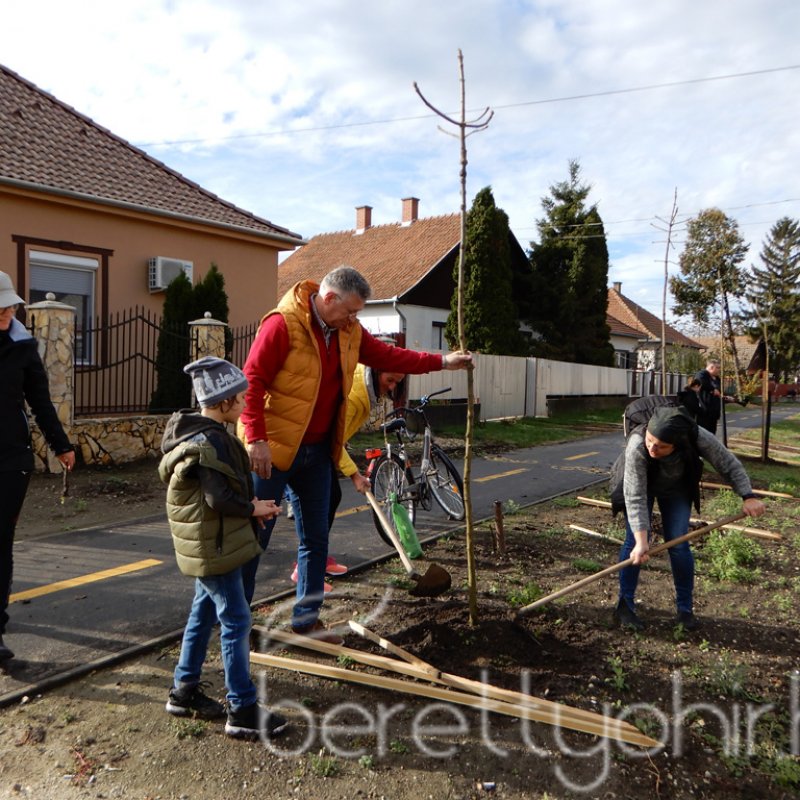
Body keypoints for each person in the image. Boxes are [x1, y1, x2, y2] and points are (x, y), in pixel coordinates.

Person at [239, 265, 472, 644]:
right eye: (351, 311)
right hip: (273, 450)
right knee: (253, 540)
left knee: (316, 540)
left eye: (357, 313)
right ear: (328, 298)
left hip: (317, 451)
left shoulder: (349, 332)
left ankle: (307, 621)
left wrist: (443, 362)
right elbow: (251, 381)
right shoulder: (282, 325)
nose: (355, 318)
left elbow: (393, 357)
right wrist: (255, 438)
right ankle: (237, 624)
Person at [159, 356, 286, 740]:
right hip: (215, 546)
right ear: (224, 402)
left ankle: (184, 691)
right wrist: (253, 508)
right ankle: (242, 707)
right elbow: (217, 499)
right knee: (236, 621)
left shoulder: (197, 434)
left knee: (202, 613)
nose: (247, 403)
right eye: (242, 397)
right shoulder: (210, 442)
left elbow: (219, 497)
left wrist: (250, 511)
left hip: (210, 542)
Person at [610, 405, 765, 632]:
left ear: (677, 443)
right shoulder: (637, 446)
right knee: (634, 543)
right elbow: (635, 496)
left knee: (679, 543)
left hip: (677, 487)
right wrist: (643, 540)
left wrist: (748, 495)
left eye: (661, 446)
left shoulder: (695, 435)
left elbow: (727, 462)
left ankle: (685, 610)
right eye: (651, 441)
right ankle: (625, 606)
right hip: (642, 485)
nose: (653, 448)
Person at [0, 271, 75, 663]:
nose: (7, 311)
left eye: (10, 304)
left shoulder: (23, 346)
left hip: (11, 458)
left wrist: (61, 446)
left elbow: (41, 402)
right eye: (0, 306)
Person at [287, 364, 407, 588]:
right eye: (389, 379)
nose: (391, 387)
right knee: (313, 505)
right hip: (298, 447)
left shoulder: (367, 389)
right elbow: (331, 439)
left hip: (318, 448)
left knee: (331, 497)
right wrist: (355, 475)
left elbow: (337, 436)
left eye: (396, 383)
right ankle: (304, 570)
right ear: (377, 371)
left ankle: (317, 561)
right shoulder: (355, 395)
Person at [694, 359, 722, 434]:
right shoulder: (702, 374)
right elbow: (700, 381)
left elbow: (719, 392)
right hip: (704, 411)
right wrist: (713, 389)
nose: (719, 370)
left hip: (714, 412)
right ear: (712, 367)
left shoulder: (718, 379)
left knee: (712, 433)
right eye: (718, 368)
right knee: (703, 433)